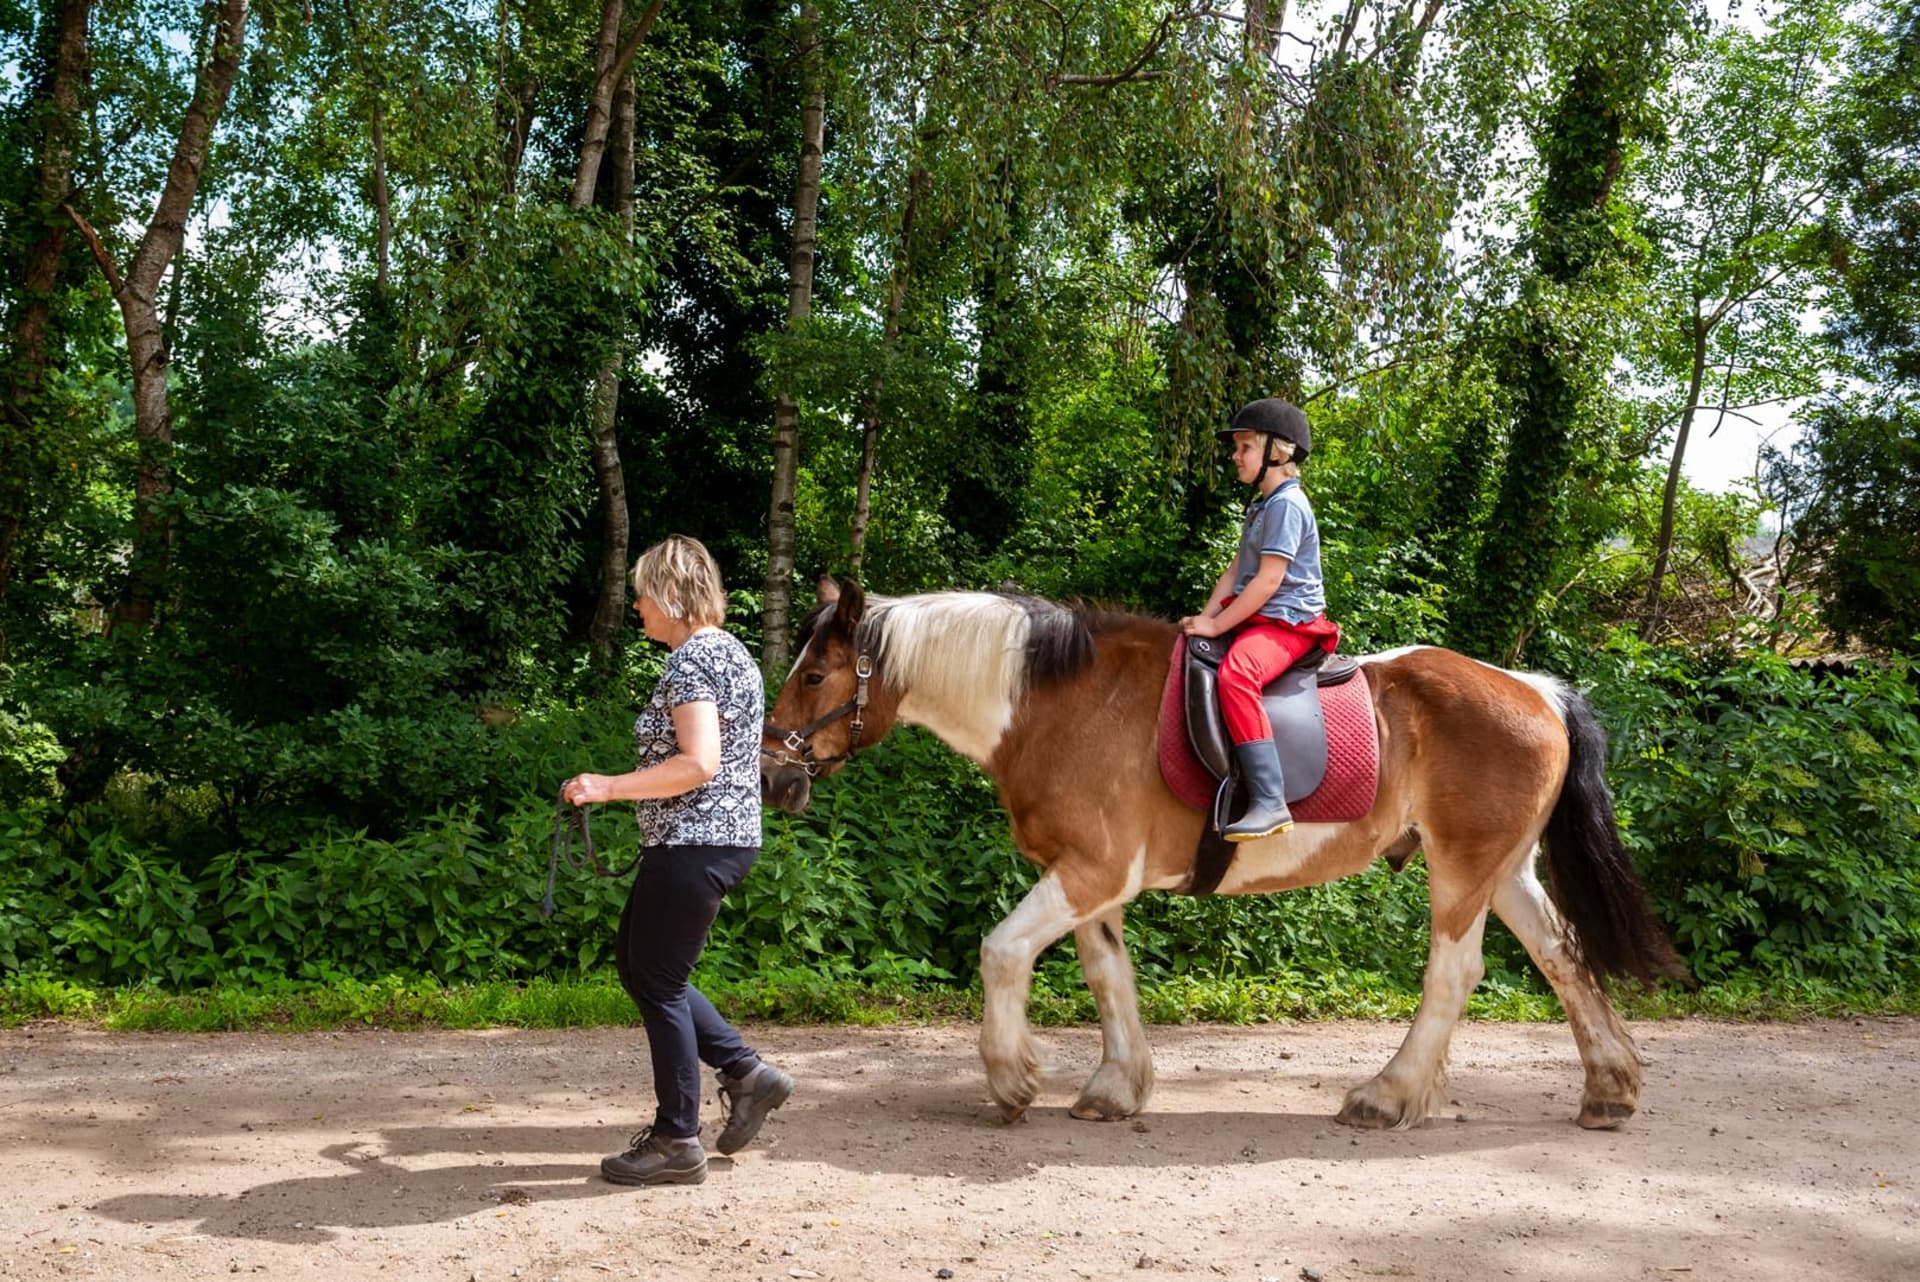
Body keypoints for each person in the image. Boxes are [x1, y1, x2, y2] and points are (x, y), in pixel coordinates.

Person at [561, 535, 793, 1186]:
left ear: (669, 594)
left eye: (641, 594)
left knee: (657, 980)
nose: (636, 607)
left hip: (696, 841)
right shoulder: (732, 654)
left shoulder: (694, 661)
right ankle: (748, 1075)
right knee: (641, 968)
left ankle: (676, 1138)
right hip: (709, 840)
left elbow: (697, 763)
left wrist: (607, 786)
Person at [1178, 399, 1341, 841]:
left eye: (1245, 446)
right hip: (1260, 618)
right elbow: (1234, 572)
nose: (1236, 455)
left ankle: (1270, 800)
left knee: (1238, 674)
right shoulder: (1262, 507)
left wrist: (1218, 626)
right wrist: (1205, 618)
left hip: (1289, 623)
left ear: (1278, 452)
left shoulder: (1288, 505)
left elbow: (1269, 581)